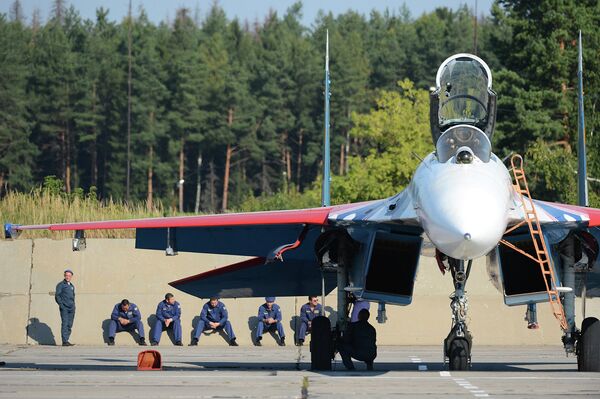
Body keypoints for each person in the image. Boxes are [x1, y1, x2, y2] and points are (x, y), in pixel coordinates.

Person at [55, 269, 76, 346]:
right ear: (64, 276)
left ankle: (66, 339)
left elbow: (73, 296)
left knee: (70, 324)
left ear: (71, 276)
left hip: (71, 308)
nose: (68, 277)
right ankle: (64, 341)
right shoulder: (60, 285)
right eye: (66, 275)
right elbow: (57, 296)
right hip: (64, 308)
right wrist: (62, 305)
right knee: (65, 323)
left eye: (69, 276)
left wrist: (73, 306)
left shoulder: (71, 286)